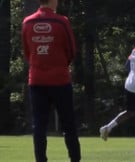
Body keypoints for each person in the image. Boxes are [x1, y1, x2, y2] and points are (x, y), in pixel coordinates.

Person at [21, 0, 81, 161]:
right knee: (68, 124)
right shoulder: (61, 22)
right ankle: (75, 158)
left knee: (39, 124)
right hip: (60, 79)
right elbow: (71, 50)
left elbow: (27, 52)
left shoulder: (27, 22)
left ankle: (41, 159)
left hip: (37, 80)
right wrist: (60, 64)